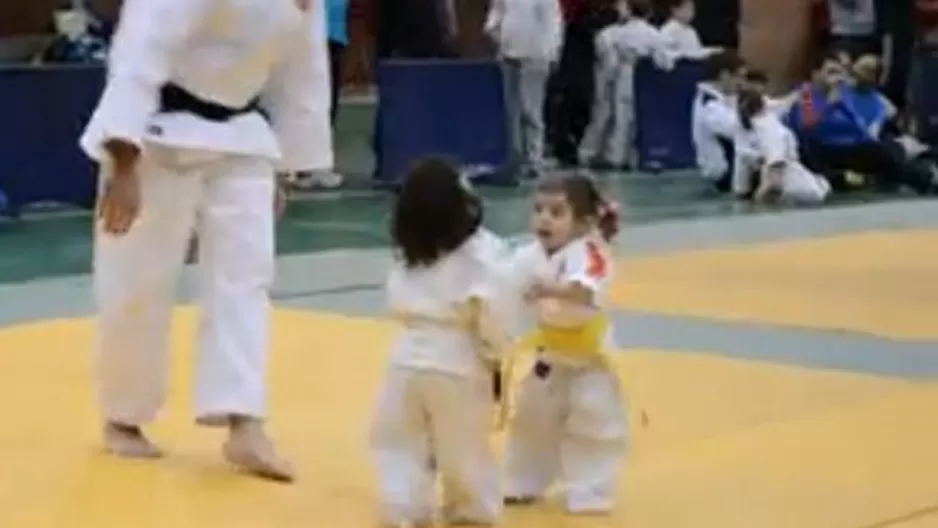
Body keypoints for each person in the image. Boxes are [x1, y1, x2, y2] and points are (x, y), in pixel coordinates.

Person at [81, 0, 333, 482]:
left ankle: (244, 421)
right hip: (157, 133)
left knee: (246, 277)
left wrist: (287, 166)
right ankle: (124, 415)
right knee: (137, 278)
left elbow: (302, 72)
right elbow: (141, 45)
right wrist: (123, 160)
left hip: (242, 136)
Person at [370, 158, 512, 528]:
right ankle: (471, 512)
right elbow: (494, 314)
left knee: (399, 442)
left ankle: (404, 509)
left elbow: (394, 299)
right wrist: (496, 354)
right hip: (459, 361)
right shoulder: (483, 253)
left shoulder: (409, 254)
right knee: (462, 446)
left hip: (405, 360)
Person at [501, 173, 626, 515]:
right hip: (551, 352)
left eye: (557, 212)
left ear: (583, 222)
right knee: (532, 417)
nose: (544, 218)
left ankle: (591, 492)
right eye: (539, 209)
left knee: (593, 424)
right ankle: (523, 482)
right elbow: (503, 282)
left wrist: (547, 290)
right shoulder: (530, 256)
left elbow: (584, 291)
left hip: (592, 357)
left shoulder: (590, 252)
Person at [787, 52, 936, 193]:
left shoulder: (841, 93)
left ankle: (924, 177)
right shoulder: (807, 94)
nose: (836, 77)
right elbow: (806, 125)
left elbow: (856, 124)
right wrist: (830, 105)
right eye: (831, 72)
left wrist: (842, 106)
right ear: (816, 74)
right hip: (824, 150)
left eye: (838, 73)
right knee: (881, 156)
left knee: (885, 151)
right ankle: (927, 179)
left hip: (850, 146)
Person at [580, 0, 674, 169]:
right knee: (628, 116)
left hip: (618, 75)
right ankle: (624, 155)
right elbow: (665, 62)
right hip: (639, 79)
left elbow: (605, 52)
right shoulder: (652, 33)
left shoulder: (612, 33)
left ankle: (608, 154)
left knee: (614, 114)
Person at [485, 0, 564, 178]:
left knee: (531, 109)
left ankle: (534, 159)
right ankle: (514, 157)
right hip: (507, 55)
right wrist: (494, 32)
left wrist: (551, 52)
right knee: (511, 111)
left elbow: (554, 22)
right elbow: (496, 13)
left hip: (536, 55)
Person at [549, 0, 622, 167]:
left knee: (587, 98)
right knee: (570, 96)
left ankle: (580, 144)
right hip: (569, 41)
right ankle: (564, 147)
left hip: (587, 43)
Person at [733, 88, 832, 204]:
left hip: (787, 175)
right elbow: (742, 153)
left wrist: (759, 198)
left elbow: (776, 168)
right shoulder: (746, 127)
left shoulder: (769, 126)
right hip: (772, 171)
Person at [294, 0, 347, 189]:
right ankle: (305, 165)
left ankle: (319, 162)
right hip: (311, 35)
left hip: (334, 33)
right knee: (308, 95)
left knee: (329, 100)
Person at [691, 50, 745, 192]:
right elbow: (735, 129)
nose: (742, 83)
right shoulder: (710, 104)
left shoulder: (726, 97)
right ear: (724, 75)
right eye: (739, 77)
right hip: (725, 173)